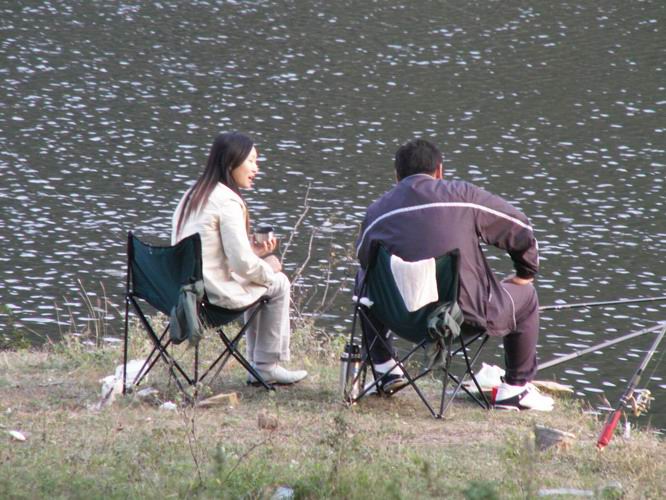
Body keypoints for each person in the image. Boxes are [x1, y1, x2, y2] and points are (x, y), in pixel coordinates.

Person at [355, 138, 553, 411]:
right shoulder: (463, 196)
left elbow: (365, 260)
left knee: (363, 277)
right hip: (464, 318)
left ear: (397, 176)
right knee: (526, 295)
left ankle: (384, 367)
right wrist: (525, 272)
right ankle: (515, 389)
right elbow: (520, 228)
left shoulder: (376, 213)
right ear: (439, 170)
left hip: (401, 319)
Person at [171, 132, 307, 385]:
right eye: (251, 161)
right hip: (209, 299)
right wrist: (269, 267)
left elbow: (213, 255)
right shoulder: (227, 201)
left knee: (259, 277)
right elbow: (242, 265)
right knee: (278, 283)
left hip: (178, 293)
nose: (256, 168)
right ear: (231, 162)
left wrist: (253, 253)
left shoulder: (192, 194)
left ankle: (261, 365)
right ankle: (265, 366)